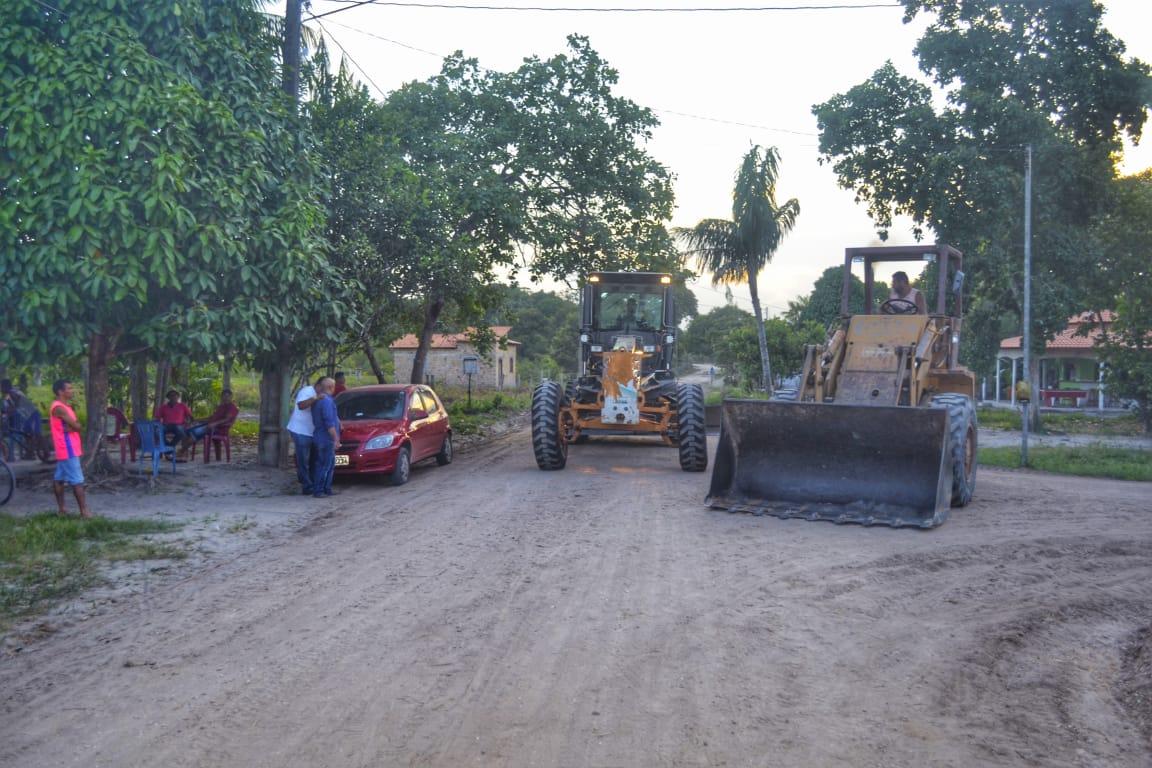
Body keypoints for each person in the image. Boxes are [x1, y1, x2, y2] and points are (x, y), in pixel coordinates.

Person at [49, 379, 91, 518]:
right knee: (77, 480)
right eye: (69, 388)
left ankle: (62, 510)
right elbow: (78, 426)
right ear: (60, 391)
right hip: (67, 448)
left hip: (67, 448)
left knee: (59, 479)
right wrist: (74, 427)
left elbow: (77, 425)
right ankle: (84, 512)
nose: (72, 391)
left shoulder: (66, 407)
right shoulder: (59, 408)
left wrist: (74, 427)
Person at [286, 377, 322, 495]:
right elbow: (301, 405)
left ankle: (311, 483)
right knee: (303, 460)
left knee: (313, 459)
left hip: (312, 432)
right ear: (318, 385)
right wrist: (315, 398)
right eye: (326, 387)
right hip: (301, 431)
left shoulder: (323, 395)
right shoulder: (307, 391)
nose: (327, 390)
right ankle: (306, 486)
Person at [181, 389, 240, 456]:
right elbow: (211, 418)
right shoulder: (221, 407)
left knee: (195, 432)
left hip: (220, 429)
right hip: (209, 426)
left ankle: (181, 452)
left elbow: (226, 419)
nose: (225, 398)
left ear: (231, 397)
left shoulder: (232, 407)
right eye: (224, 396)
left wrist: (214, 423)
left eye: (227, 396)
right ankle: (184, 452)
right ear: (221, 397)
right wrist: (197, 420)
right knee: (187, 430)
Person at [310, 377, 341, 498]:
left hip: (319, 435)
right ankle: (319, 490)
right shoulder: (327, 401)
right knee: (324, 465)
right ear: (331, 387)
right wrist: (336, 439)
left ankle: (327, 488)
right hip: (325, 438)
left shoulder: (318, 400)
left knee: (328, 464)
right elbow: (329, 423)